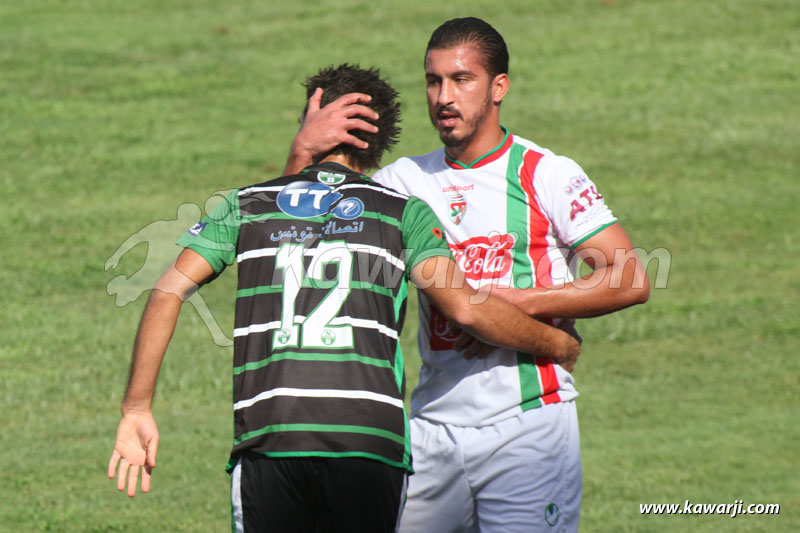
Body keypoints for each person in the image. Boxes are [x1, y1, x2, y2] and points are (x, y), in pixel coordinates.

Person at [107, 63, 581, 533]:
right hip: (370, 445)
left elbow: (168, 289)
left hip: (273, 438)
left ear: (308, 124)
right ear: (378, 144)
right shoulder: (404, 212)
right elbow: (464, 308)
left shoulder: (247, 205)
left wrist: (137, 408)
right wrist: (557, 345)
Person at [284, 18, 650, 533]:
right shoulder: (403, 182)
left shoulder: (546, 173)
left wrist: (518, 303)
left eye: (461, 80)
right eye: (433, 81)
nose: (444, 97)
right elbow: (291, 242)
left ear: (498, 86)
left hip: (527, 427)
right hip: (431, 427)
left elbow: (630, 277)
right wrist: (302, 154)